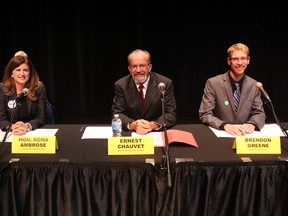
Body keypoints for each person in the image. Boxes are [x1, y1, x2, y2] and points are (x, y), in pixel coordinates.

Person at [199, 43, 266, 136]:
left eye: (243, 58)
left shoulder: (254, 85)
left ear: (248, 60)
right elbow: (205, 114)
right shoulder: (213, 83)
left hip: (244, 135)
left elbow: (259, 113)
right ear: (229, 61)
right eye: (235, 59)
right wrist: (224, 125)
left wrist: (252, 123)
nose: (240, 62)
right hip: (222, 134)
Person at [111, 49, 177, 135]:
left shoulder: (164, 83)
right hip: (132, 135)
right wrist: (133, 125)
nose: (138, 70)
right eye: (134, 66)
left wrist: (152, 125)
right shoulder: (121, 85)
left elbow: (170, 114)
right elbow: (117, 114)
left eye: (142, 65)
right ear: (129, 69)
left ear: (149, 67)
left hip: (155, 133)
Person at [0, 54, 47, 135]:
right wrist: (12, 127)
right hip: (12, 133)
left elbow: (41, 117)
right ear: (11, 73)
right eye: (18, 70)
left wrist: (27, 126)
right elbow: (2, 118)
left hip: (32, 132)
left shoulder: (38, 88)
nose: (22, 73)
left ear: (30, 73)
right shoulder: (3, 89)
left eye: (25, 70)